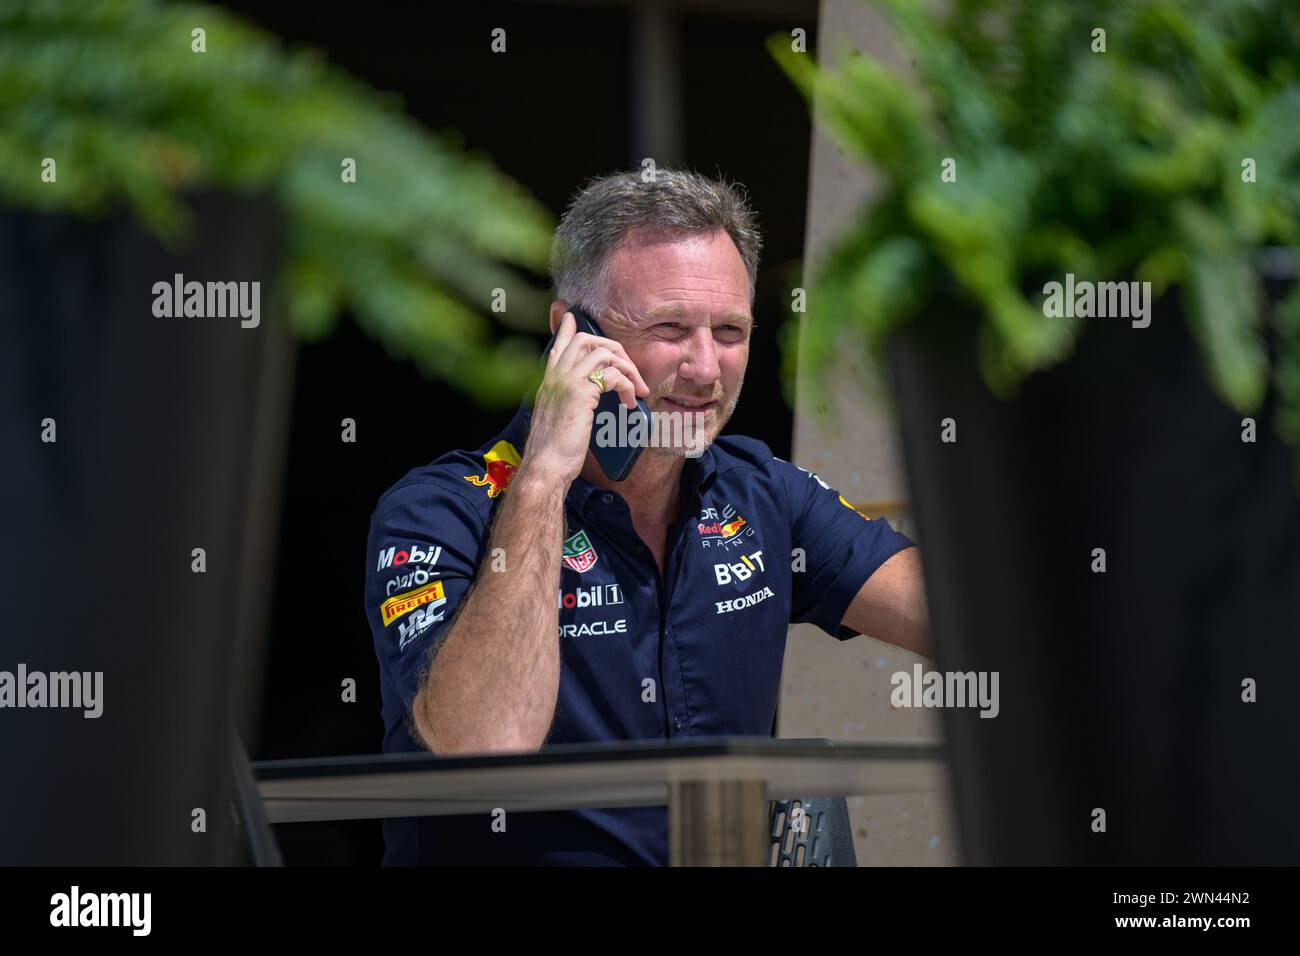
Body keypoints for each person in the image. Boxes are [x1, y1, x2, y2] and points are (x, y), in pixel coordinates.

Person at [363, 168, 930, 865]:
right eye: (669, 328)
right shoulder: (436, 512)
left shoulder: (761, 494)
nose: (705, 369)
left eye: (729, 330)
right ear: (570, 334)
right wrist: (544, 474)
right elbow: (487, 743)